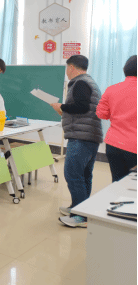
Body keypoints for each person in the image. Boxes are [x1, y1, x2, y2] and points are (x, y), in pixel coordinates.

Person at [50, 55, 103, 228]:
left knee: (72, 174)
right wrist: (64, 110)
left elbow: (81, 107)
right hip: (89, 135)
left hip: (81, 137)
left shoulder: (80, 83)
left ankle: (80, 216)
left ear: (71, 67)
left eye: (67, 68)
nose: (66, 72)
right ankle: (80, 209)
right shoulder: (89, 82)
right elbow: (84, 108)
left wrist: (61, 106)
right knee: (84, 174)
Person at [97, 55, 137, 183]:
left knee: (117, 182)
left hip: (113, 145)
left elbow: (101, 114)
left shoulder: (112, 89)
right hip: (134, 147)